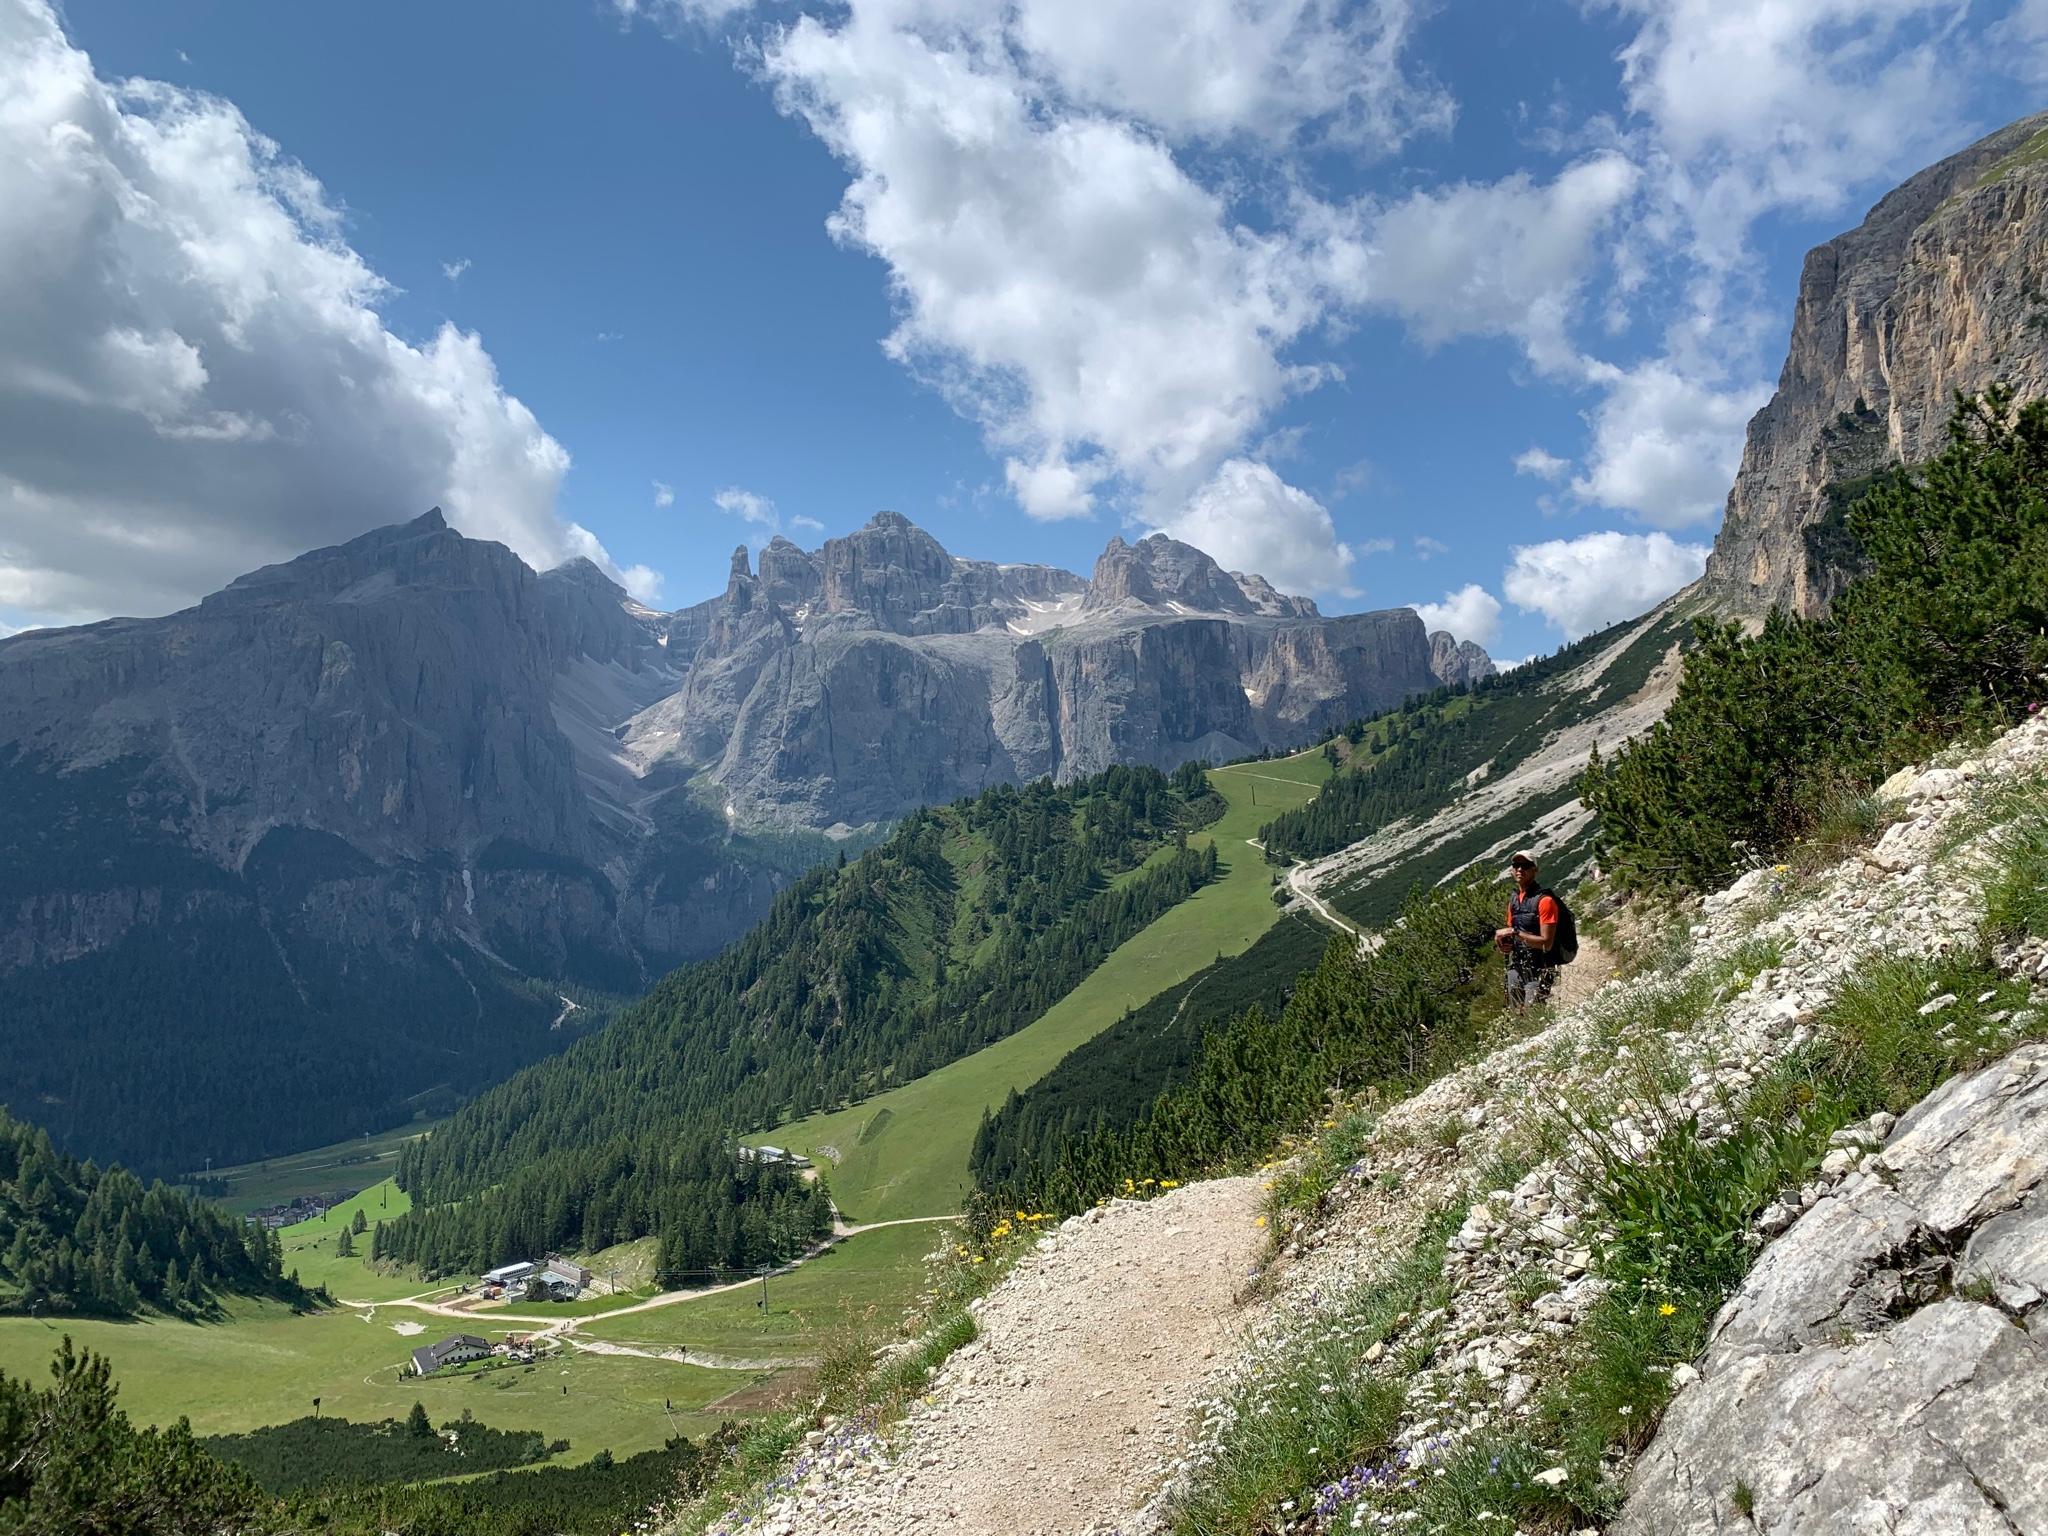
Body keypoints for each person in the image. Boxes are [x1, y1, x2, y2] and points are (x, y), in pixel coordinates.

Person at [1494, 850, 1559, 1010]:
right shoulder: (1514, 901)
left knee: (1534, 1014)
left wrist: (1515, 933)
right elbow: (1512, 934)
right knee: (1517, 1015)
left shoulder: (1545, 901)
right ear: (1512, 870)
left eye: (1525, 866)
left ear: (1535, 870)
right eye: (1516, 865)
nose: (1520, 869)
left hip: (1540, 968)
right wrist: (1504, 944)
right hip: (1516, 967)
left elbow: (1547, 944)